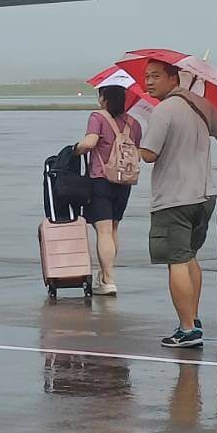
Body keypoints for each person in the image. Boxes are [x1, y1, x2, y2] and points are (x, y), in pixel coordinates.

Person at [139, 60, 217, 348]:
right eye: (146, 76)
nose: (148, 82)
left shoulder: (163, 112)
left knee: (176, 261)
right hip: (204, 195)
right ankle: (193, 318)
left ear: (174, 78)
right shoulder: (203, 105)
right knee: (190, 257)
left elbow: (148, 154)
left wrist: (135, 143)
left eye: (155, 76)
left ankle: (187, 329)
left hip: (173, 199)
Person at [73, 84, 143, 296]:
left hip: (101, 180)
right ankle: (105, 275)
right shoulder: (135, 123)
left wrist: (76, 149)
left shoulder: (98, 117)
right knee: (113, 229)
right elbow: (138, 154)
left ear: (104, 98)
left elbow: (90, 142)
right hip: (124, 182)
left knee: (102, 231)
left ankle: (108, 279)